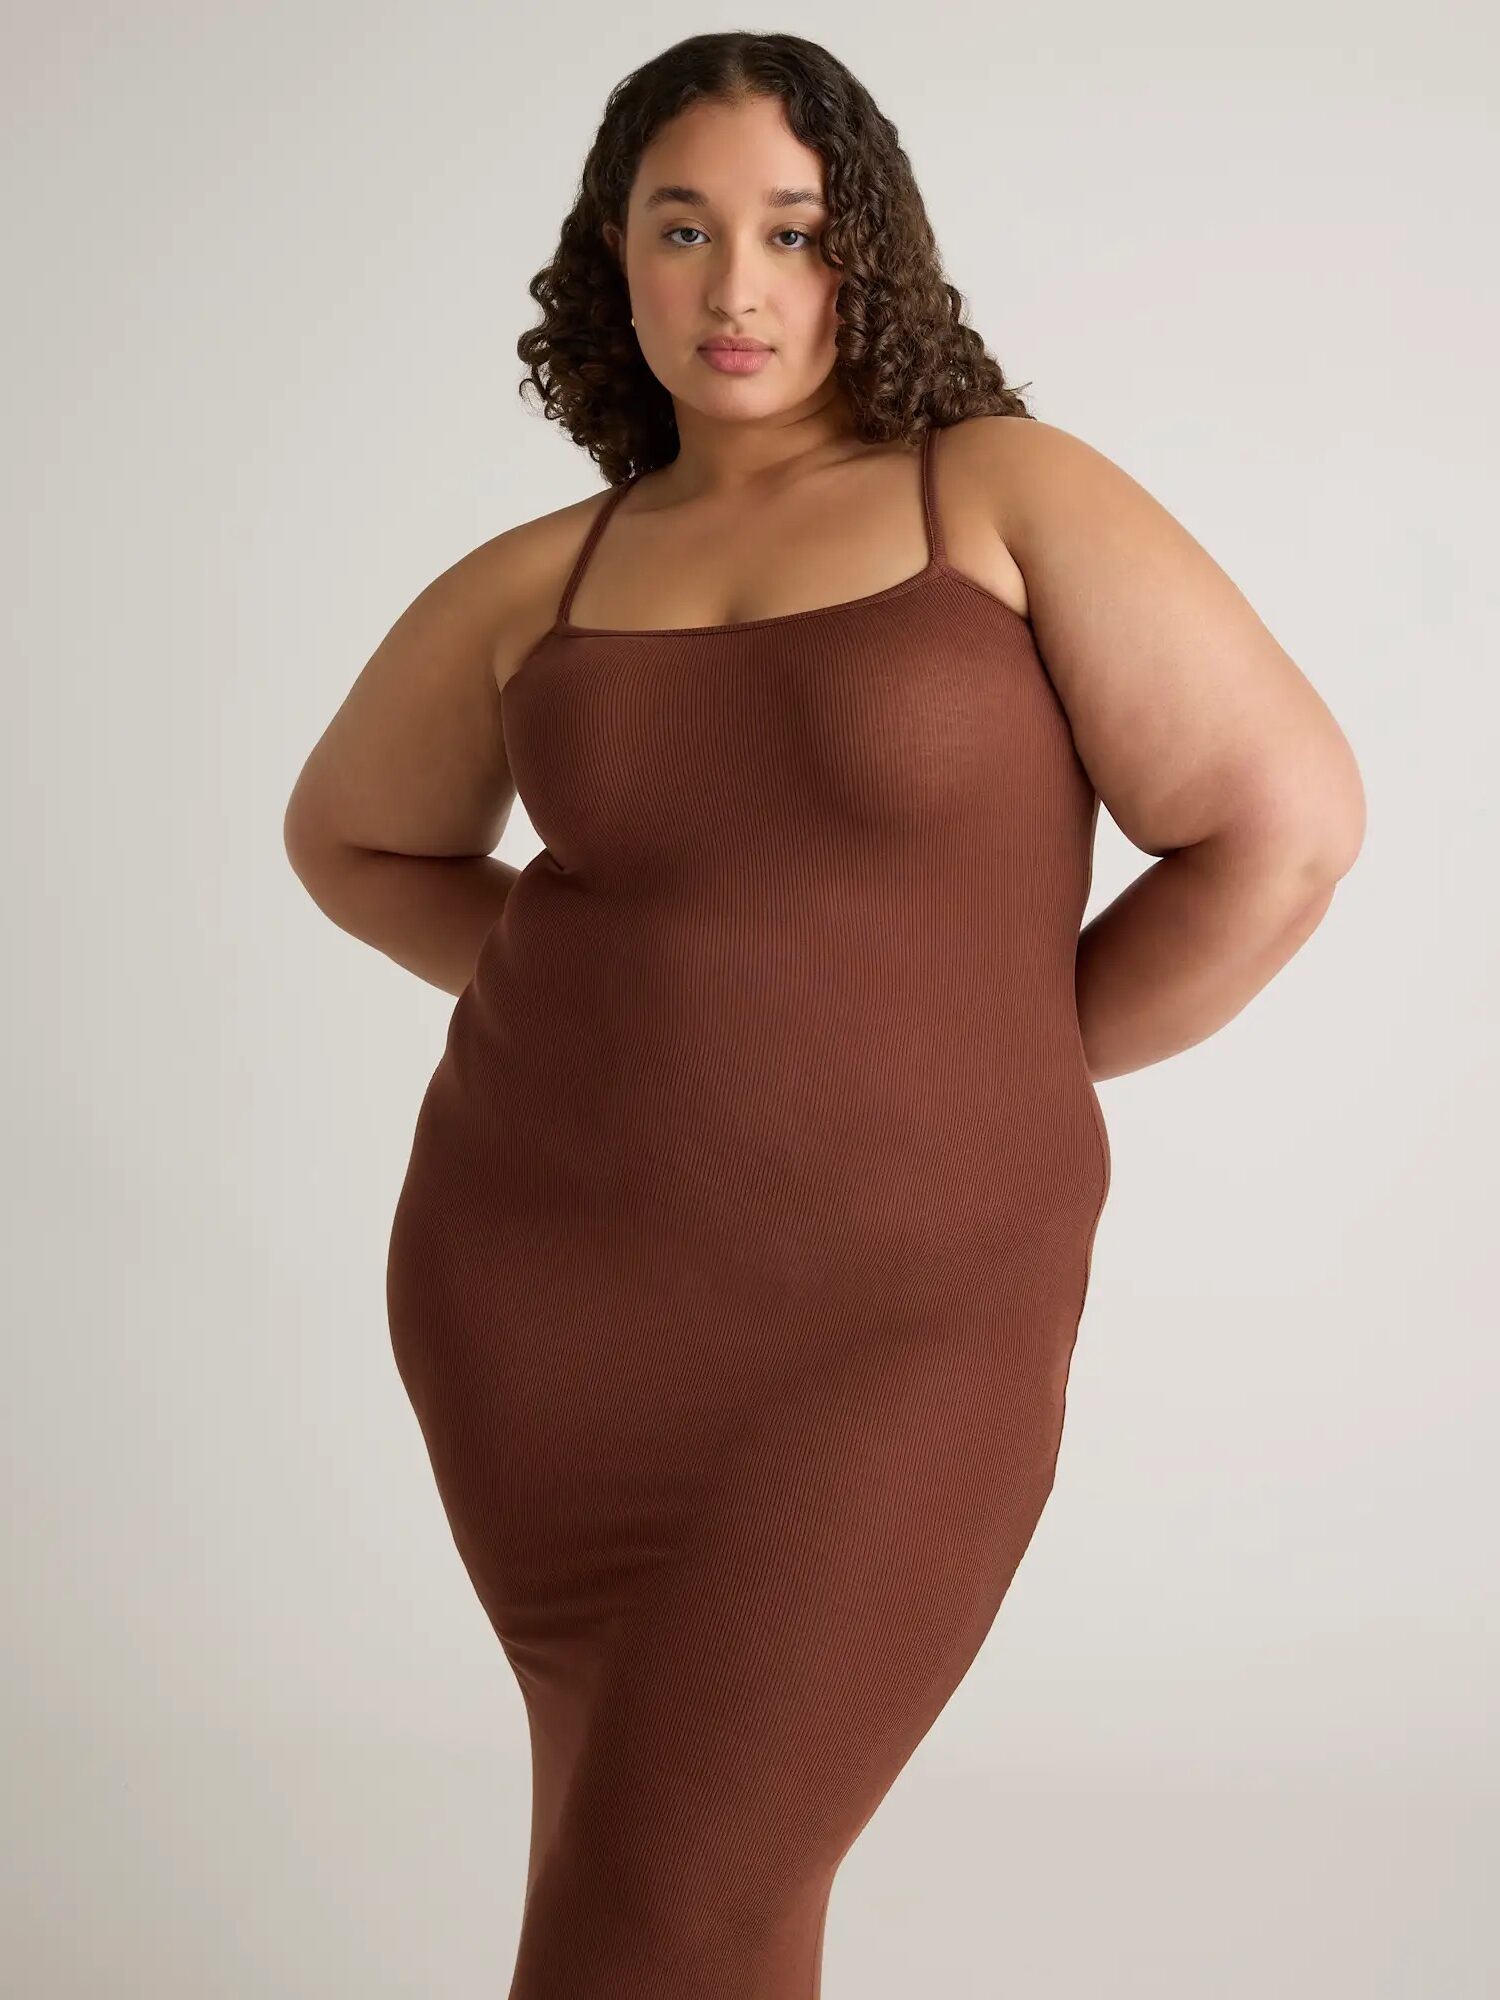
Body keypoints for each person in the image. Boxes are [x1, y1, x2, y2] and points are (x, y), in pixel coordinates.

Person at [283, 31, 1364, 1999]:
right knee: (678, 1889)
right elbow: (351, 841)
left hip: (901, 1325)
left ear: (874, 253)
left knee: (664, 1903)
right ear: (610, 263)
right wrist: (612, 1013)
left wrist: (1004, 1056)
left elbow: (1280, 830)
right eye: (681, 229)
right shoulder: (552, 580)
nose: (737, 282)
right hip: (544, 1316)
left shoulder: (1001, 499)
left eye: (794, 228)